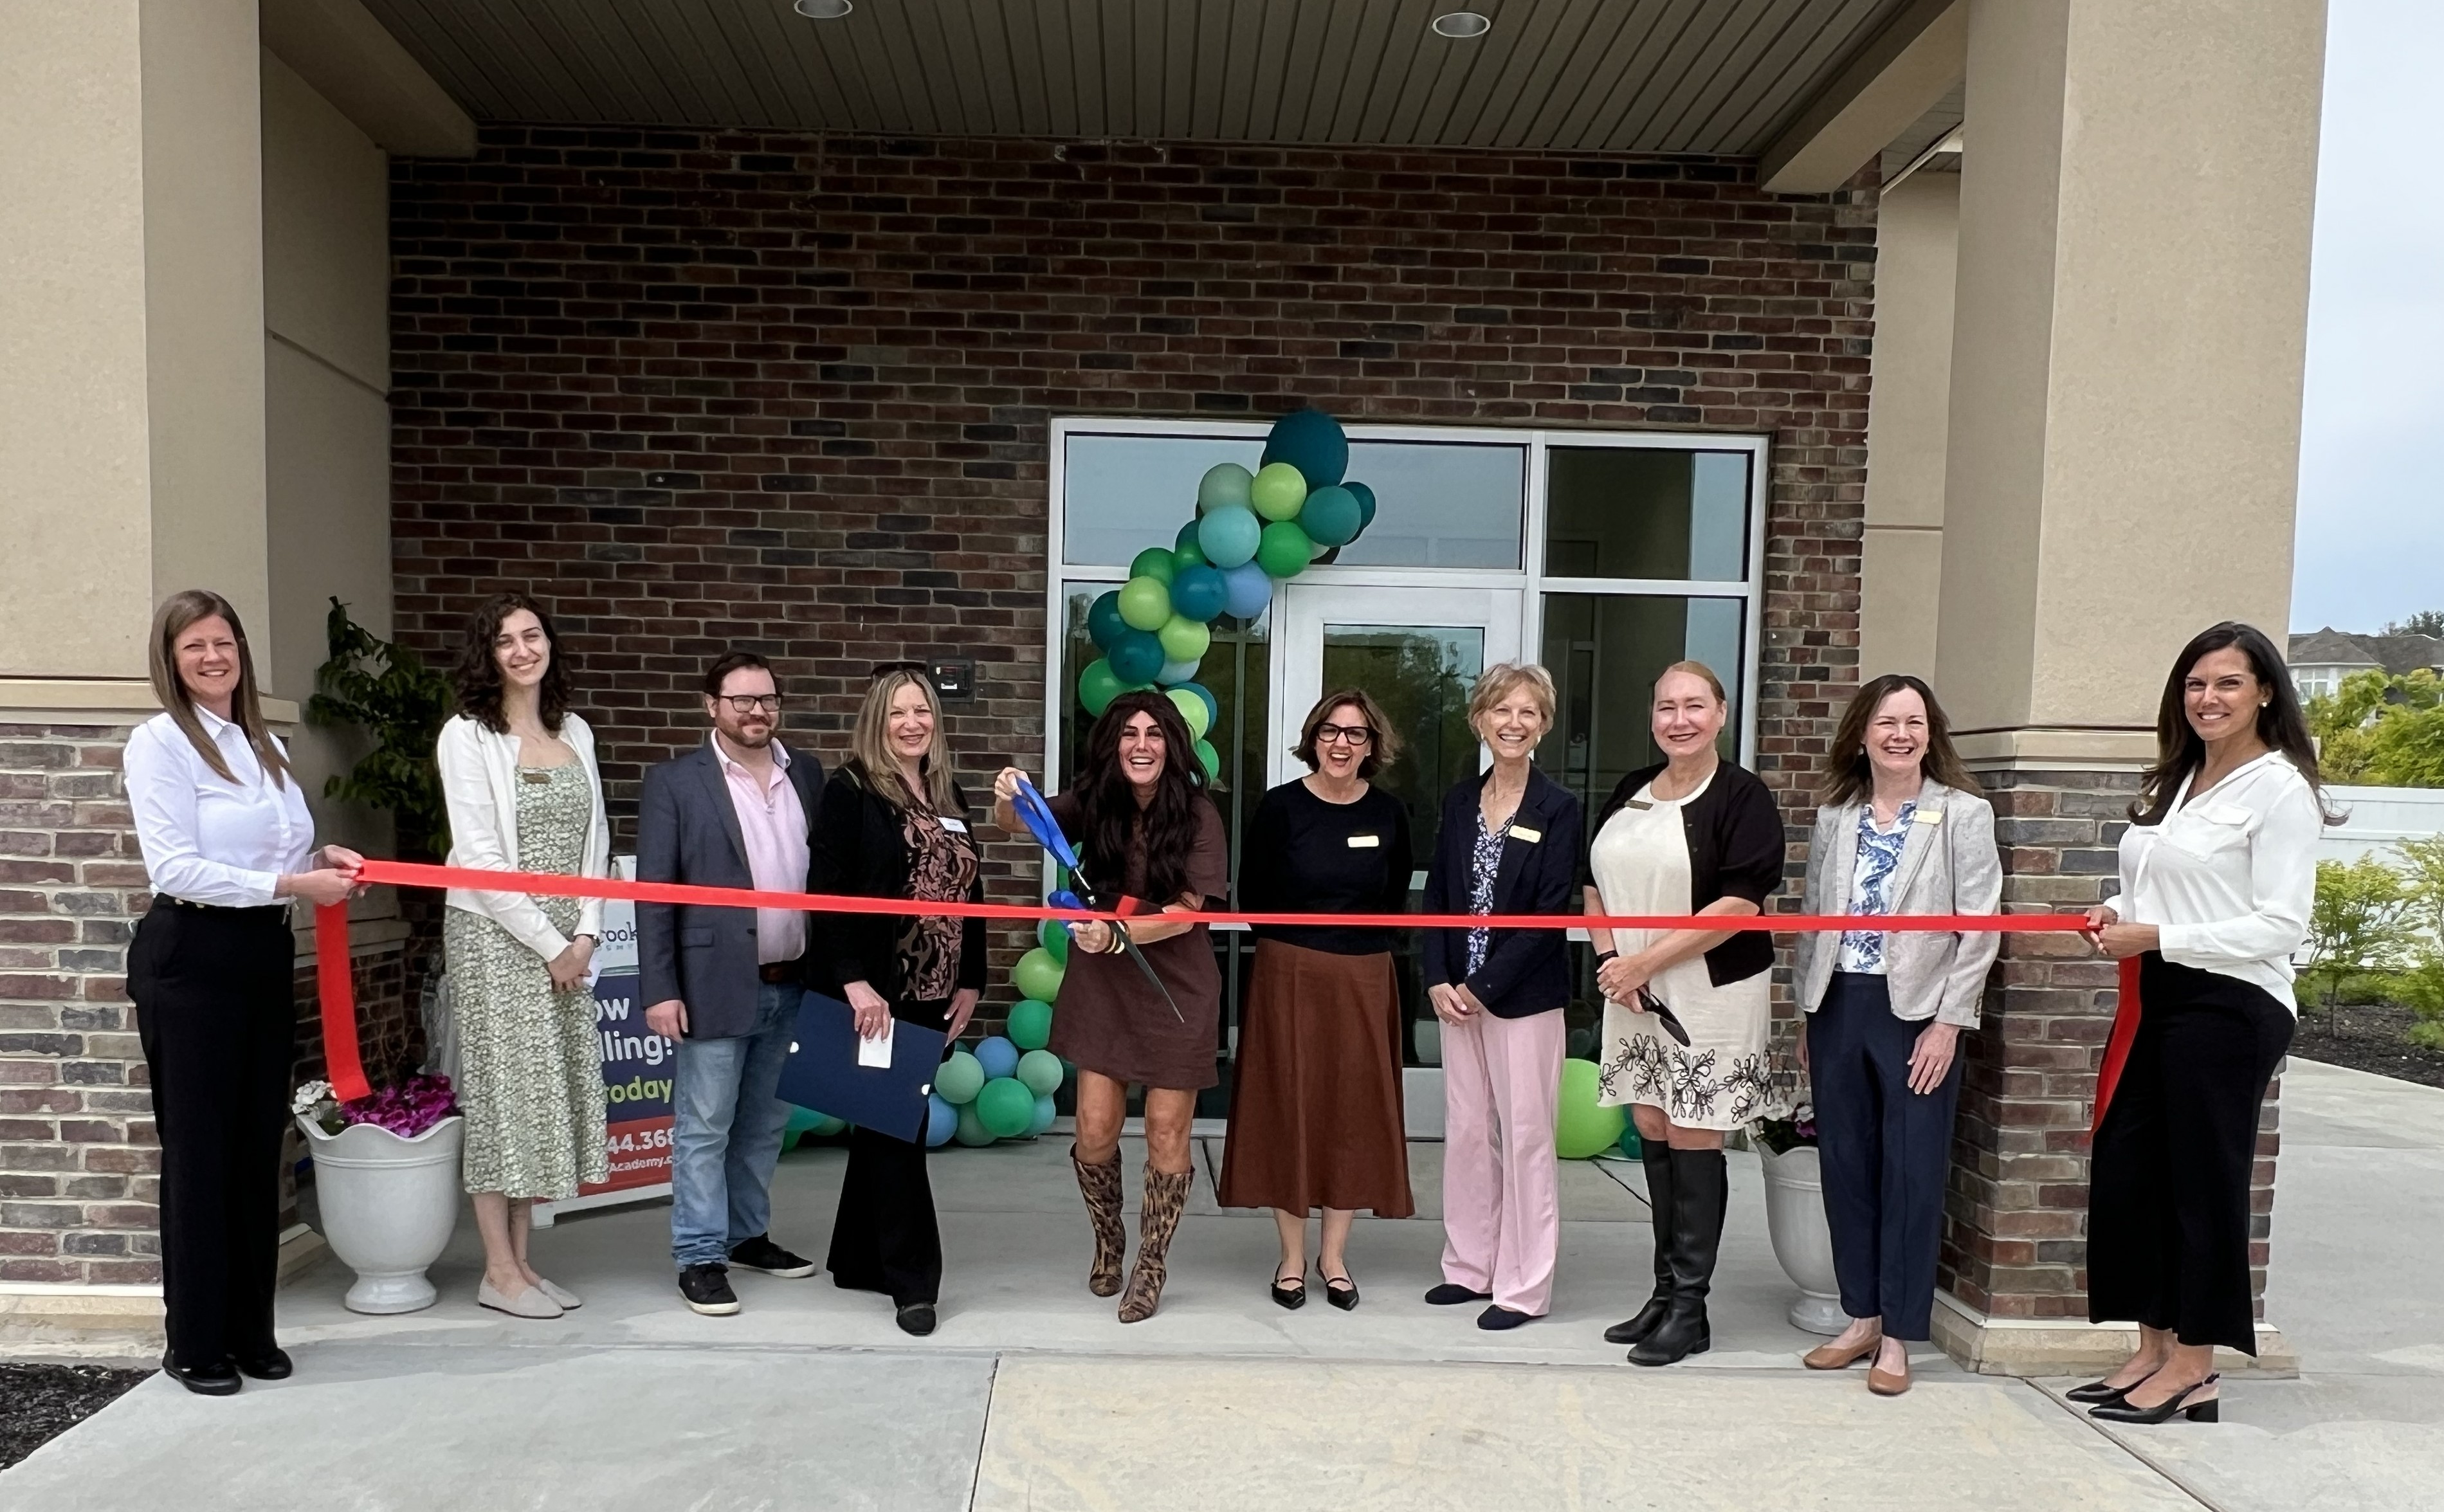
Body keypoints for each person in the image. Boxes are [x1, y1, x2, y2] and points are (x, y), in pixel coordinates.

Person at [2077, 623, 2326, 1425]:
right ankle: (2151, 1347)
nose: (2207, 698)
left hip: (2228, 1004)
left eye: (2226, 682)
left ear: (2263, 693)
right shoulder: (2183, 777)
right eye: (2194, 684)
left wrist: (2156, 935)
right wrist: (2118, 912)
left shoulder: (2277, 789)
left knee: (2199, 1184)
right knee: (2132, 1172)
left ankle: (2195, 1363)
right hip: (2160, 993)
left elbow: (2279, 925)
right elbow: (2164, 886)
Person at [125, 591, 363, 1394]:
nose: (213, 657)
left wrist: (318, 853)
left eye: (223, 642)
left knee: (259, 1147)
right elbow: (176, 867)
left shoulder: (261, 743)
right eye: (195, 645)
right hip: (191, 953)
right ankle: (194, 1342)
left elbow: (277, 845)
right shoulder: (160, 743)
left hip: (263, 951)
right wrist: (294, 880)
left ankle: (249, 1330)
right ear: (172, 657)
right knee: (200, 1152)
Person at [1791, 675, 2000, 1396]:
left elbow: (1978, 927)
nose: (1899, 734)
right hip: (1836, 1005)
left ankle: (1900, 1336)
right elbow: (1812, 915)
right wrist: (1805, 1012)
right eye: (1886, 721)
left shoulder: (1962, 814)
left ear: (1929, 733)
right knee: (1844, 1165)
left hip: (1915, 1012)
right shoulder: (1835, 817)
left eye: (1913, 721)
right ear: (1861, 734)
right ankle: (1860, 1316)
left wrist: (1950, 1020)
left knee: (1910, 1173)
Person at [992, 691, 1228, 1324]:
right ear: (1112, 744)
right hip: (1102, 980)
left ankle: (1151, 1262)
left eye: (1154, 732)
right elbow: (1018, 821)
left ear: (1172, 743)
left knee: (1165, 1129)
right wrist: (1009, 790)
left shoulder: (1199, 813)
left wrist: (1119, 932)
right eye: (1128, 733)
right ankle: (1108, 1239)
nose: (1141, 743)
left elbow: (1187, 913)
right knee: (1093, 1127)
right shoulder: (1094, 798)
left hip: (1176, 981)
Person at [1585, 660, 1784, 1365]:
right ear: (1652, 717)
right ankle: (1664, 1289)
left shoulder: (1741, 796)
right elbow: (1591, 885)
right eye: (1666, 705)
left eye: (1694, 705)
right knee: (1649, 1121)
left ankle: (1691, 1308)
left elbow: (1738, 906)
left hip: (1708, 991)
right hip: (1632, 991)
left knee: (1693, 1129)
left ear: (1720, 713)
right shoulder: (1628, 789)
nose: (1679, 718)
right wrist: (1615, 963)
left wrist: (1645, 962)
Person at [436, 592, 612, 1320]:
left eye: (531, 635)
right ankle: (496, 1271)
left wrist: (586, 935)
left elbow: (597, 838)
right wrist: (548, 944)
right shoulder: (465, 734)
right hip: (496, 936)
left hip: (567, 939)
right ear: (489, 655)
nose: (520, 649)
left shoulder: (575, 728)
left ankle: (523, 1264)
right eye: (504, 640)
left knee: (543, 1094)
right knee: (503, 1095)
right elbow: (479, 858)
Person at [638, 651, 826, 1318]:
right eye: (741, 699)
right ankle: (699, 1254)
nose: (756, 711)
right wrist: (660, 988)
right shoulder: (674, 782)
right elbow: (654, 894)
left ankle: (747, 1234)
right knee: (704, 1126)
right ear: (710, 704)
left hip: (792, 983)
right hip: (712, 984)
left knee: (763, 1123)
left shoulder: (804, 771)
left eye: (767, 698)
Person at [1219, 689, 1416, 1310]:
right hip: (1289, 975)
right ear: (1314, 737)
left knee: (1350, 1112)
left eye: (1356, 734)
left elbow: (1395, 901)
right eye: (1331, 731)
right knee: (1289, 1106)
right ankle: (1292, 1257)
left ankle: (1334, 1257)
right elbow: (1253, 895)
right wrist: (1301, 951)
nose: (1342, 744)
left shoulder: (1390, 813)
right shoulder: (1280, 808)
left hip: (1363, 975)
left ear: (1372, 745)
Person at [808, 666, 985, 1337]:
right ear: (876, 722)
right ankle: (914, 1282)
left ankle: (859, 1258)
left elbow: (969, 892)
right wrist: (853, 981)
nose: (912, 723)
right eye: (897, 713)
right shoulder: (850, 790)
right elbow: (825, 893)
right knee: (895, 1132)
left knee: (885, 1122)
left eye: (922, 711)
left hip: (936, 993)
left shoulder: (945, 788)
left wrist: (972, 977)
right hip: (879, 995)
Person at [1419, 662, 1584, 1331]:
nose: (1513, 722)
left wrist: (1482, 987)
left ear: (1542, 725)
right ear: (1478, 719)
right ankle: (1469, 1264)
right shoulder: (1461, 799)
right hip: (1455, 995)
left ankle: (1521, 1284)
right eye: (1501, 710)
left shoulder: (1558, 807)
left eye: (1527, 712)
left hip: (1521, 999)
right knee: (1465, 1133)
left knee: (1523, 1140)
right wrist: (1437, 976)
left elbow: (1547, 914)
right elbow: (1435, 896)